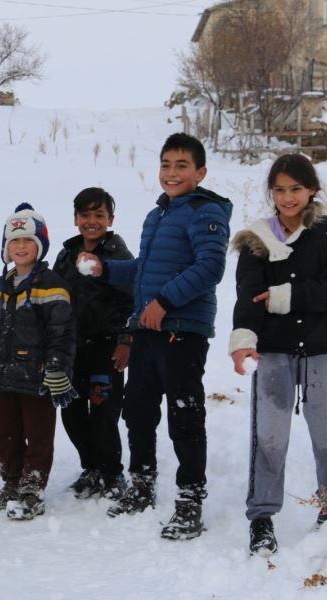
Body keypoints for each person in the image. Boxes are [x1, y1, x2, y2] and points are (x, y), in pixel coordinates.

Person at [79, 133, 232, 540]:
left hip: (182, 332)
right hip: (147, 332)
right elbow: (144, 270)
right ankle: (142, 485)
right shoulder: (156, 215)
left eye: (182, 165)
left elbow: (211, 266)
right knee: (138, 413)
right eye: (166, 164)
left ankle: (189, 499)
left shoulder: (205, 212)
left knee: (184, 415)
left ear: (200, 172)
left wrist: (164, 302)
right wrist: (106, 270)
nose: (172, 172)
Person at [229, 153, 327, 556]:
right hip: (274, 351)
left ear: (312, 189)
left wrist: (283, 297)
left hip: (323, 348)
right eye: (279, 189)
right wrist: (243, 338)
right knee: (269, 436)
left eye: (296, 189)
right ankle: (262, 517)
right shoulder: (257, 239)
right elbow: (248, 295)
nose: (287, 197)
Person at [0, 203, 78, 521]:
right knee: (5, 434)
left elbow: (62, 333)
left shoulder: (52, 285)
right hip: (8, 374)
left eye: (28, 241)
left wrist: (56, 365)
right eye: (15, 241)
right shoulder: (2, 286)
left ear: (40, 245)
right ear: (6, 247)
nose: (21, 247)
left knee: (37, 435)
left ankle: (32, 488)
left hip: (38, 376)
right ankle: (11, 482)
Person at [51, 187, 134, 500]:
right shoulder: (65, 255)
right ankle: (92, 468)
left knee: (103, 413)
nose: (91, 221)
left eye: (99, 215)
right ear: (75, 219)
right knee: (71, 412)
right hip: (72, 349)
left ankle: (112, 472)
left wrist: (126, 341)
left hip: (107, 347)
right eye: (85, 214)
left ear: (110, 219)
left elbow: (132, 302)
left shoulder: (118, 256)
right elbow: (55, 301)